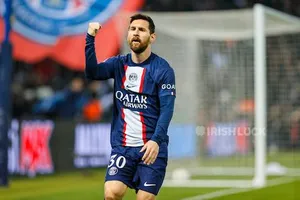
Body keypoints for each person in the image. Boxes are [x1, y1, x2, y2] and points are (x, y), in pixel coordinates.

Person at [85, 13, 176, 200]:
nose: (136, 33)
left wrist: (156, 140)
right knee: (112, 194)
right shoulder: (118, 64)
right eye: (132, 29)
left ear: (152, 37)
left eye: (141, 30)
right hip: (122, 148)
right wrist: (90, 37)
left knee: (144, 199)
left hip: (150, 148)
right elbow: (92, 72)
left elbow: (167, 109)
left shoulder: (162, 69)